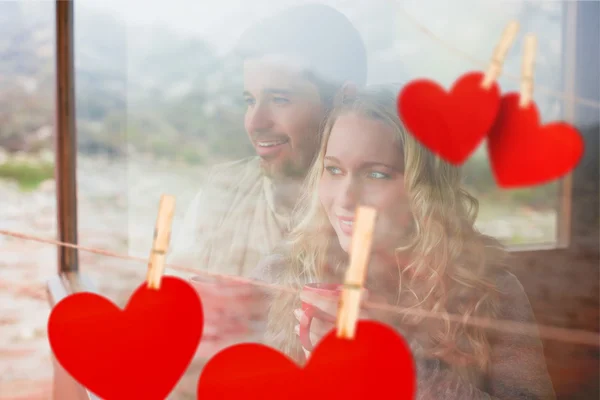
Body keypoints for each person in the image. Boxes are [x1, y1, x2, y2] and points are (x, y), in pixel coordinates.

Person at [253, 87, 556, 399]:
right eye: (333, 170)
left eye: (376, 175)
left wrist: (396, 362)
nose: (345, 199)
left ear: (423, 191)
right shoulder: (283, 272)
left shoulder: (488, 291)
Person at [168, 4, 367, 277]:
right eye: (250, 101)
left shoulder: (384, 209)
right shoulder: (220, 192)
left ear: (345, 100)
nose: (255, 123)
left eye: (280, 99)